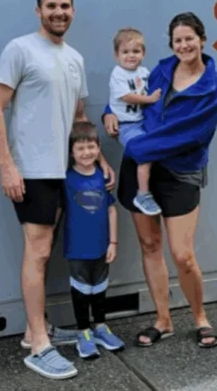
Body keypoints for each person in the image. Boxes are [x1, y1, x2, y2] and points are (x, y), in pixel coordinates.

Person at [0, 0, 115, 381]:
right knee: (38, 252)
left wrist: (101, 157)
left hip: (67, 172)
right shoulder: (20, 49)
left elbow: (79, 117)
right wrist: (7, 166)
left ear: (73, 11)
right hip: (33, 171)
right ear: (38, 10)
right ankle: (40, 346)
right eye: (52, 6)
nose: (59, 12)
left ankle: (32, 330)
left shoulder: (74, 57)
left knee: (48, 249)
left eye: (66, 6)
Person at [103, 12, 217, 349]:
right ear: (171, 45)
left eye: (189, 38)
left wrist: (137, 144)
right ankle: (164, 319)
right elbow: (129, 99)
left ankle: (200, 317)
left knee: (182, 254)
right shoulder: (160, 70)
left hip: (177, 171)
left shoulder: (214, 86)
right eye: (177, 40)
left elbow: (190, 135)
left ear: (202, 39)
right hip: (142, 167)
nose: (184, 45)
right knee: (150, 245)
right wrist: (108, 113)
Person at [62, 121, 125, 360]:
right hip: (77, 248)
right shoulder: (66, 180)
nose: (87, 152)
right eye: (81, 148)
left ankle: (100, 327)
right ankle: (83, 333)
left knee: (99, 288)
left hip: (102, 247)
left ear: (99, 149)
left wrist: (113, 242)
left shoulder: (103, 178)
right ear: (72, 153)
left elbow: (111, 211)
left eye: (91, 147)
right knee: (81, 290)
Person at [108, 27, 162, 216]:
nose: (131, 56)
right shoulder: (118, 74)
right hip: (126, 125)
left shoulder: (145, 72)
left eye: (136, 51)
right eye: (125, 52)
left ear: (143, 53)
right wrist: (150, 99)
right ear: (116, 55)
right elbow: (127, 97)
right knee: (144, 153)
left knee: (154, 151)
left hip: (142, 123)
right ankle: (143, 194)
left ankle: (150, 190)